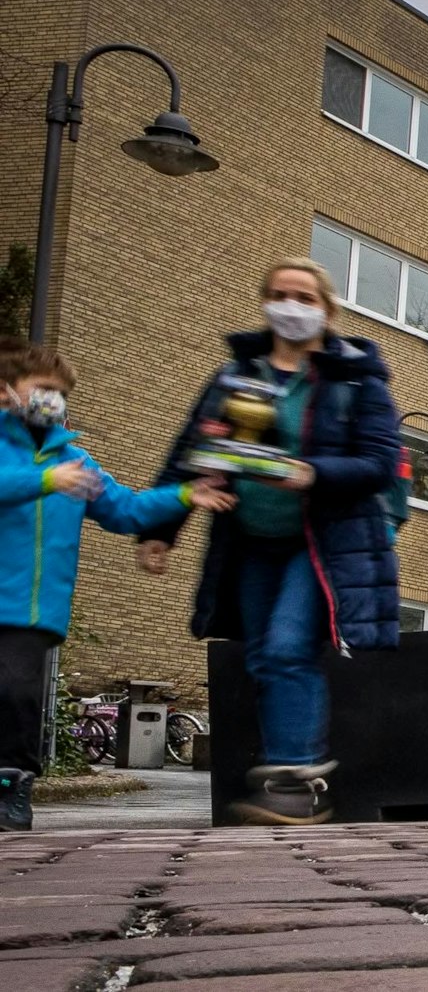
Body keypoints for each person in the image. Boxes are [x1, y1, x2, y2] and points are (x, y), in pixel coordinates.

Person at [140, 258, 402, 825]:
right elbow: (191, 451)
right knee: (262, 657)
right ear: (264, 301)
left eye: (305, 297)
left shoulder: (355, 381)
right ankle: (287, 774)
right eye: (280, 294)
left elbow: (380, 463)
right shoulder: (237, 376)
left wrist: (312, 473)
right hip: (251, 539)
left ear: (327, 310)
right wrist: (161, 529)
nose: (291, 306)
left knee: (287, 648)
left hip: (324, 543)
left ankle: (294, 785)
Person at [0, 341, 233, 832]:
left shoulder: (77, 463)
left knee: (17, 696)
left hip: (31, 610)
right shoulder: (37, 464)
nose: (53, 401)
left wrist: (186, 493)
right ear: (8, 392)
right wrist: (44, 480)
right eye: (41, 390)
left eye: (61, 394)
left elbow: (126, 510)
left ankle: (12, 787)